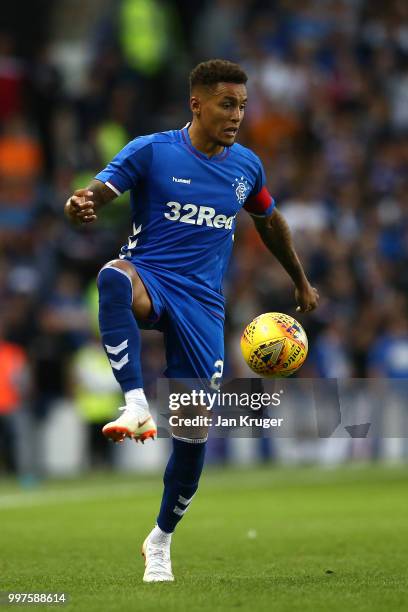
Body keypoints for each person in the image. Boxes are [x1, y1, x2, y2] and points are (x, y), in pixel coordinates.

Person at [65, 59, 319, 582]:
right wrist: (80, 205)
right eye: (228, 104)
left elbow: (268, 221)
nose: (237, 116)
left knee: (193, 435)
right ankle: (135, 404)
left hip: (203, 306)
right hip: (151, 276)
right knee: (113, 277)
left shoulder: (245, 166)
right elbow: (95, 195)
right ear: (197, 103)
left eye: (243, 107)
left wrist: (300, 279)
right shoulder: (152, 151)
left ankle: (160, 540)